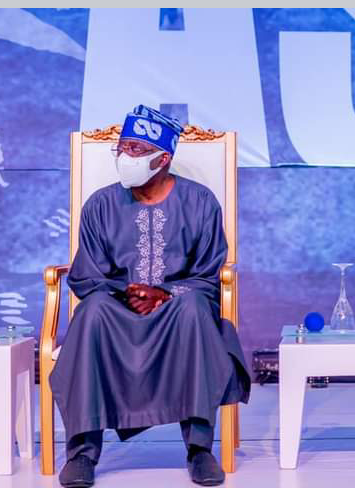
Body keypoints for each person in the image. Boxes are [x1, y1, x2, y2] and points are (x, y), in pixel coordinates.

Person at [51, 105, 250, 487]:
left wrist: (164, 293)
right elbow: (87, 274)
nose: (124, 157)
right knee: (91, 311)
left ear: (163, 159)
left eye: (136, 150)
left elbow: (208, 273)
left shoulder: (200, 202)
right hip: (117, 309)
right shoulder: (100, 205)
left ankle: (199, 449)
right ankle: (82, 453)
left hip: (177, 307)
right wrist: (129, 293)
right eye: (122, 148)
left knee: (194, 308)